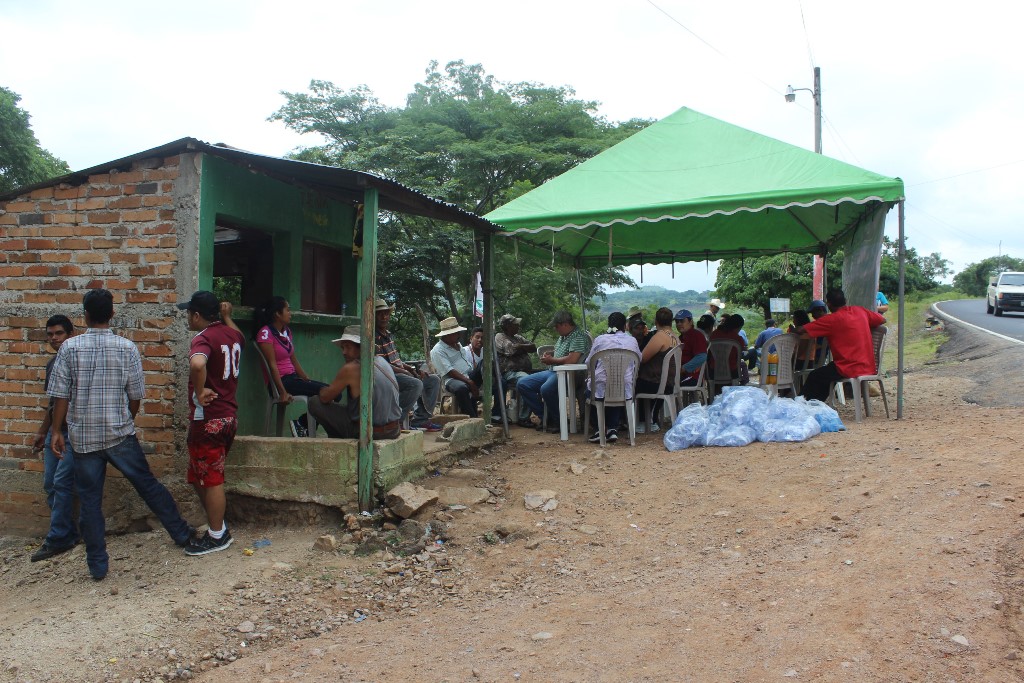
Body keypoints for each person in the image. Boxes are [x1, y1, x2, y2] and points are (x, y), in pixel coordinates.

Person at [47, 289, 193, 580]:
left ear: (85, 316)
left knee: (89, 501)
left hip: (84, 438)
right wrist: (126, 419)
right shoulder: (126, 347)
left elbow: (60, 396)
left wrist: (56, 432)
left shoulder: (69, 349)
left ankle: (98, 566)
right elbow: (136, 395)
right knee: (148, 486)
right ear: (112, 314)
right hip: (119, 434)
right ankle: (182, 535)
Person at [178, 291, 245, 556]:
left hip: (209, 418)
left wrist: (200, 389)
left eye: (188, 313)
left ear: (196, 315)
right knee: (198, 474)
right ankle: (218, 526)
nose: (187, 317)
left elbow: (197, 364)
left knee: (212, 478)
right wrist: (228, 317)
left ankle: (218, 535)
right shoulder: (232, 335)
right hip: (229, 416)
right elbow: (239, 336)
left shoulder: (203, 338)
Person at [30, 315, 79, 562]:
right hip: (55, 432)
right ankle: (68, 533)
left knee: (62, 482)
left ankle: (58, 537)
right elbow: (53, 403)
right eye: (50, 335)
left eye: (59, 333)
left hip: (74, 433)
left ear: (71, 334)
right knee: (51, 483)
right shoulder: (52, 364)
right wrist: (43, 431)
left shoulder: (79, 360)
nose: (54, 339)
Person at [307, 325, 402, 440]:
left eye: (348, 347)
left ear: (361, 347)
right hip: (394, 430)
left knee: (314, 402)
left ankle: (338, 440)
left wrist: (322, 390)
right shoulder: (382, 361)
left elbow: (324, 398)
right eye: (342, 348)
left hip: (371, 433)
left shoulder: (351, 368)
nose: (344, 352)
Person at [253, 296, 326, 438]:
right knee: (325, 392)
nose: (290, 313)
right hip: (280, 382)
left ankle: (302, 423)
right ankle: (302, 425)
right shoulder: (265, 334)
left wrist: (305, 378)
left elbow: (293, 359)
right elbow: (272, 366)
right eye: (287, 310)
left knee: (333, 393)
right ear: (277, 314)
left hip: (293, 378)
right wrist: (282, 392)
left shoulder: (286, 331)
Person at [795, 288, 886, 402]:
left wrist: (794, 329)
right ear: (845, 300)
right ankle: (815, 403)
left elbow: (801, 330)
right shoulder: (860, 311)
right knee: (825, 375)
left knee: (815, 376)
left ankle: (801, 404)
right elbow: (882, 320)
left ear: (828, 304)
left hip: (847, 366)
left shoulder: (830, 320)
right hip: (868, 365)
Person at [517, 311, 591, 432]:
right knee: (523, 384)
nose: (556, 329)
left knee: (546, 389)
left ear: (565, 324)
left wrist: (552, 360)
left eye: (557, 326)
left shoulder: (578, 336)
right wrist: (551, 355)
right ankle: (547, 417)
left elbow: (572, 359)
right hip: (553, 371)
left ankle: (558, 420)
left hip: (569, 374)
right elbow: (562, 353)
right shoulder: (563, 336)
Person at [374, 299, 441, 432]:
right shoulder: (374, 337)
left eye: (386, 313)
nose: (384, 317)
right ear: (373, 316)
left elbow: (396, 360)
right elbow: (382, 365)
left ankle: (421, 420)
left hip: (398, 372)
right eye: (380, 314)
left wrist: (409, 368)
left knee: (434, 380)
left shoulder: (388, 334)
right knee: (415, 384)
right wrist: (405, 372)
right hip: (387, 375)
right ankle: (395, 421)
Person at [584, 312, 641, 444]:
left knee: (591, 390)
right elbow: (639, 359)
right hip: (625, 388)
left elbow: (589, 362)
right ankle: (612, 429)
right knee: (617, 385)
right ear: (625, 326)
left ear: (609, 325)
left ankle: (599, 429)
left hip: (601, 387)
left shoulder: (600, 339)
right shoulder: (632, 340)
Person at [635, 307, 680, 433]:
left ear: (656, 321)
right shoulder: (676, 337)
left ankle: (643, 420)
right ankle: (650, 419)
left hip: (656, 383)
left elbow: (642, 358)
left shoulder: (660, 336)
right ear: (671, 321)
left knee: (630, 385)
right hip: (669, 382)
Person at [430, 317, 480, 417]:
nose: (458, 335)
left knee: (485, 366)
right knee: (462, 388)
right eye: (455, 333)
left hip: (468, 373)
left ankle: (496, 413)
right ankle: (471, 417)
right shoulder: (438, 350)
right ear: (447, 335)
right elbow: (450, 371)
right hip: (452, 380)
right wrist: (469, 381)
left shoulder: (458, 344)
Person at [494, 314, 537, 428]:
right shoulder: (499, 336)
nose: (518, 326)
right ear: (507, 326)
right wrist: (523, 348)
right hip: (510, 372)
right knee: (527, 381)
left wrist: (521, 346)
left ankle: (546, 414)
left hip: (524, 370)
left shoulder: (518, 337)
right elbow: (511, 350)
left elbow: (534, 347)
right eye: (515, 324)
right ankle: (523, 418)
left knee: (540, 379)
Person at [709, 314, 747, 384]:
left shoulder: (714, 334)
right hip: (732, 372)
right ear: (738, 327)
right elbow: (742, 353)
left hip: (713, 371)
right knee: (742, 364)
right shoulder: (737, 339)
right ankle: (743, 384)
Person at [674, 309, 708, 386]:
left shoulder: (696, 335)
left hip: (692, 376)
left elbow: (702, 357)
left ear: (691, 322)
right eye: (677, 322)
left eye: (682, 321)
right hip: (683, 375)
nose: (679, 324)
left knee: (665, 385)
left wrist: (683, 369)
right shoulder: (682, 337)